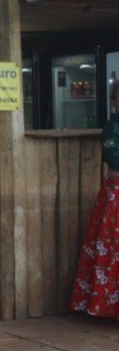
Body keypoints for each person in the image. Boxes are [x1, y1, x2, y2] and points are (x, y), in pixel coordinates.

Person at [69, 81, 119, 320]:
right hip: (116, 194)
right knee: (112, 248)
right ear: (114, 101)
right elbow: (113, 156)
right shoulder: (112, 127)